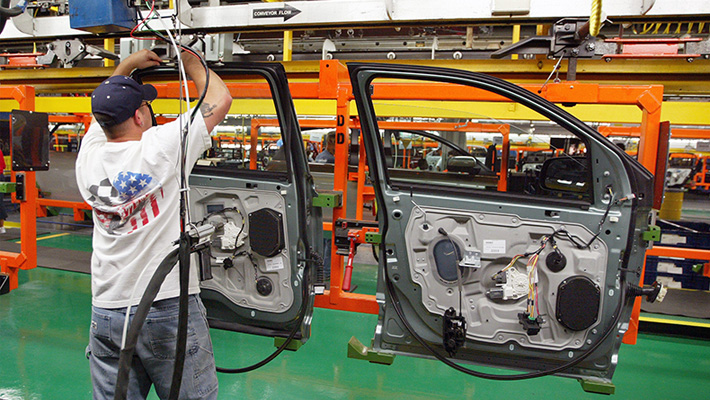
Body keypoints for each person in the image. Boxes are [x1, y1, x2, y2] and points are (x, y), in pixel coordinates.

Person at [75, 49, 232, 400]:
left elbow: (102, 106)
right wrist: (188, 57)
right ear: (139, 115)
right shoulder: (161, 147)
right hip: (165, 306)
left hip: (107, 311)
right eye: (146, 105)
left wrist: (128, 65)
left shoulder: (89, 156)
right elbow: (220, 99)